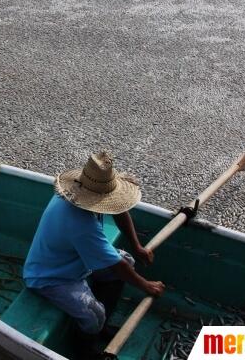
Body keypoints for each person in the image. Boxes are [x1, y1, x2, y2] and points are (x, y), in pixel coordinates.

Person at [23, 151, 165, 358]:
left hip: (76, 260)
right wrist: (146, 285)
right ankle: (83, 349)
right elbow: (117, 265)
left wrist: (137, 246)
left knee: (129, 259)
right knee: (94, 315)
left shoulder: (74, 193)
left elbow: (120, 210)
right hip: (51, 276)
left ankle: (102, 325)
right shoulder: (80, 223)